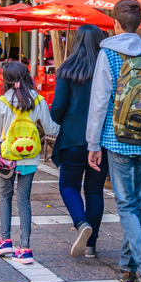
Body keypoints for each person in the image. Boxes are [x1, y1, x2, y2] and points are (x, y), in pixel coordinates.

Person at [87, 0, 141, 282]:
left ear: (115, 24)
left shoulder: (108, 53)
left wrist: (92, 144)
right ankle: (128, 268)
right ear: (140, 24)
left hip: (116, 139)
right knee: (134, 203)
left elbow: (99, 103)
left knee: (125, 206)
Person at [0, 61, 59, 265]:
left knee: (5, 195)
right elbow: (51, 129)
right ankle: (25, 248)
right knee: (24, 199)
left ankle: (5, 240)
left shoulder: (2, 102)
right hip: (30, 158)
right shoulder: (38, 100)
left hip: (7, 158)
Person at [50, 24, 107, 258]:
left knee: (68, 186)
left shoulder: (67, 69)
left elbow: (59, 106)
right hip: (101, 141)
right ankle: (91, 244)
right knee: (94, 190)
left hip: (73, 139)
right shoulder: (107, 69)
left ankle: (81, 222)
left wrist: (55, 121)